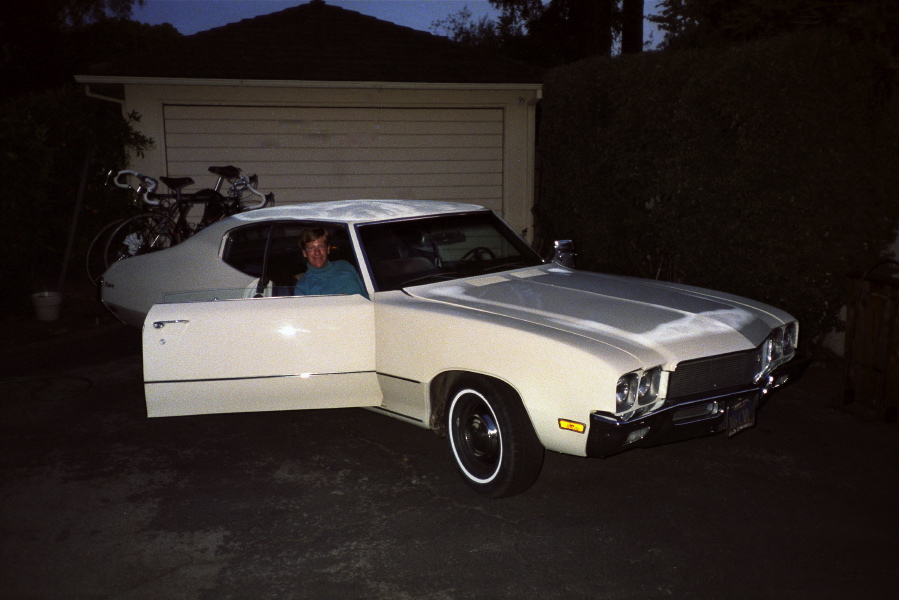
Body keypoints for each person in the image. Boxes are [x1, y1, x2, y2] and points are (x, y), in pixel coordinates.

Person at [294, 227, 369, 299]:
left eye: (321, 246)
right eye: (311, 248)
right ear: (304, 253)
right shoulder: (302, 287)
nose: (317, 252)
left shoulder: (345, 266)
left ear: (328, 249)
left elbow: (366, 295)